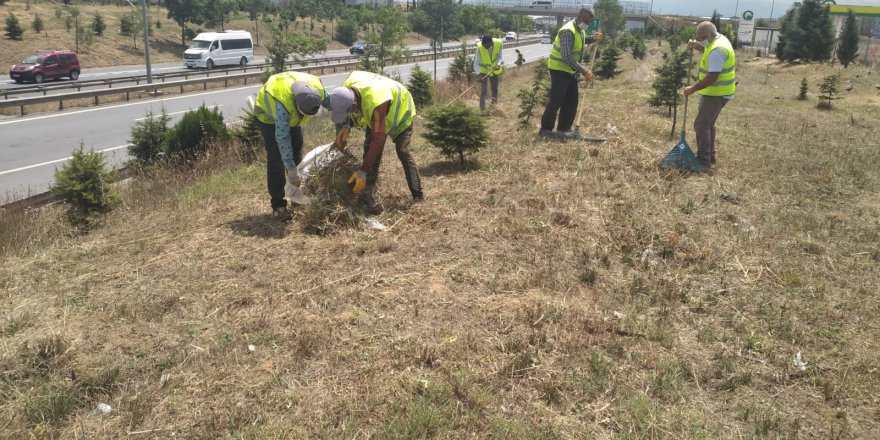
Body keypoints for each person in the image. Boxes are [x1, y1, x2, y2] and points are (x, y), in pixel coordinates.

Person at [325, 71, 424, 212]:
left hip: (401, 113)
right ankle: (366, 199)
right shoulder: (345, 91)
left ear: (354, 104)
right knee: (370, 154)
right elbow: (347, 110)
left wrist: (363, 170)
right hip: (378, 112)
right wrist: (346, 126)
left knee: (402, 151)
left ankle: (418, 196)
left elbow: (379, 138)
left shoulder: (376, 102)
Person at [252, 71, 325, 221]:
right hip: (268, 119)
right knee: (277, 158)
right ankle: (279, 205)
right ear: (296, 104)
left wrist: (343, 124)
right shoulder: (283, 105)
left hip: (292, 117)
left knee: (297, 153)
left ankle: (296, 197)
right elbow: (282, 138)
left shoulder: (317, 90)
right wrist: (291, 172)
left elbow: (332, 102)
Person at [539, 6, 603, 138]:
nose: (587, 25)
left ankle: (563, 129)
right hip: (559, 69)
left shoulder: (579, 30)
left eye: (589, 23)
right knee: (556, 99)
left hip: (570, 70)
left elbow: (581, 41)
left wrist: (593, 38)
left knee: (571, 100)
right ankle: (545, 129)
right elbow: (567, 57)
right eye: (586, 22)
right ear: (580, 16)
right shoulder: (568, 31)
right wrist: (584, 71)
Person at [684, 21, 736, 170]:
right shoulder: (718, 40)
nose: (700, 39)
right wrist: (698, 46)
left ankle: (703, 162)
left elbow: (712, 77)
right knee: (709, 125)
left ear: (711, 34)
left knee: (701, 125)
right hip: (719, 92)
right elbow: (707, 48)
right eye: (698, 37)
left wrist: (693, 88)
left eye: (702, 37)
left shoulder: (717, 50)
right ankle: (710, 156)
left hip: (715, 94)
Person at [473, 35, 504, 111]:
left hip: (494, 70)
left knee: (494, 89)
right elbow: (476, 62)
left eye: (486, 46)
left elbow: (500, 57)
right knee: (484, 89)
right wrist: (478, 75)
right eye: (483, 46)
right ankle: (482, 108)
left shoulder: (498, 44)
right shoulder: (480, 47)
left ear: (490, 43)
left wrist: (498, 64)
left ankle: (494, 106)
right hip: (484, 71)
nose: (485, 48)